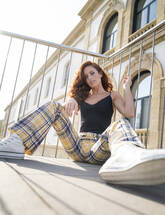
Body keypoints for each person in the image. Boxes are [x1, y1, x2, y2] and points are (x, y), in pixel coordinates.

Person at [0, 61, 165, 185]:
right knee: (53, 105)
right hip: (77, 147)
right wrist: (71, 99)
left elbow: (130, 112)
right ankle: (18, 142)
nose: (90, 78)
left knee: (120, 124)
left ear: (100, 74)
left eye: (92, 73)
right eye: (86, 76)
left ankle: (130, 157)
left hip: (99, 148)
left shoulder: (112, 95)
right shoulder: (83, 96)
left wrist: (127, 87)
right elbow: (62, 110)